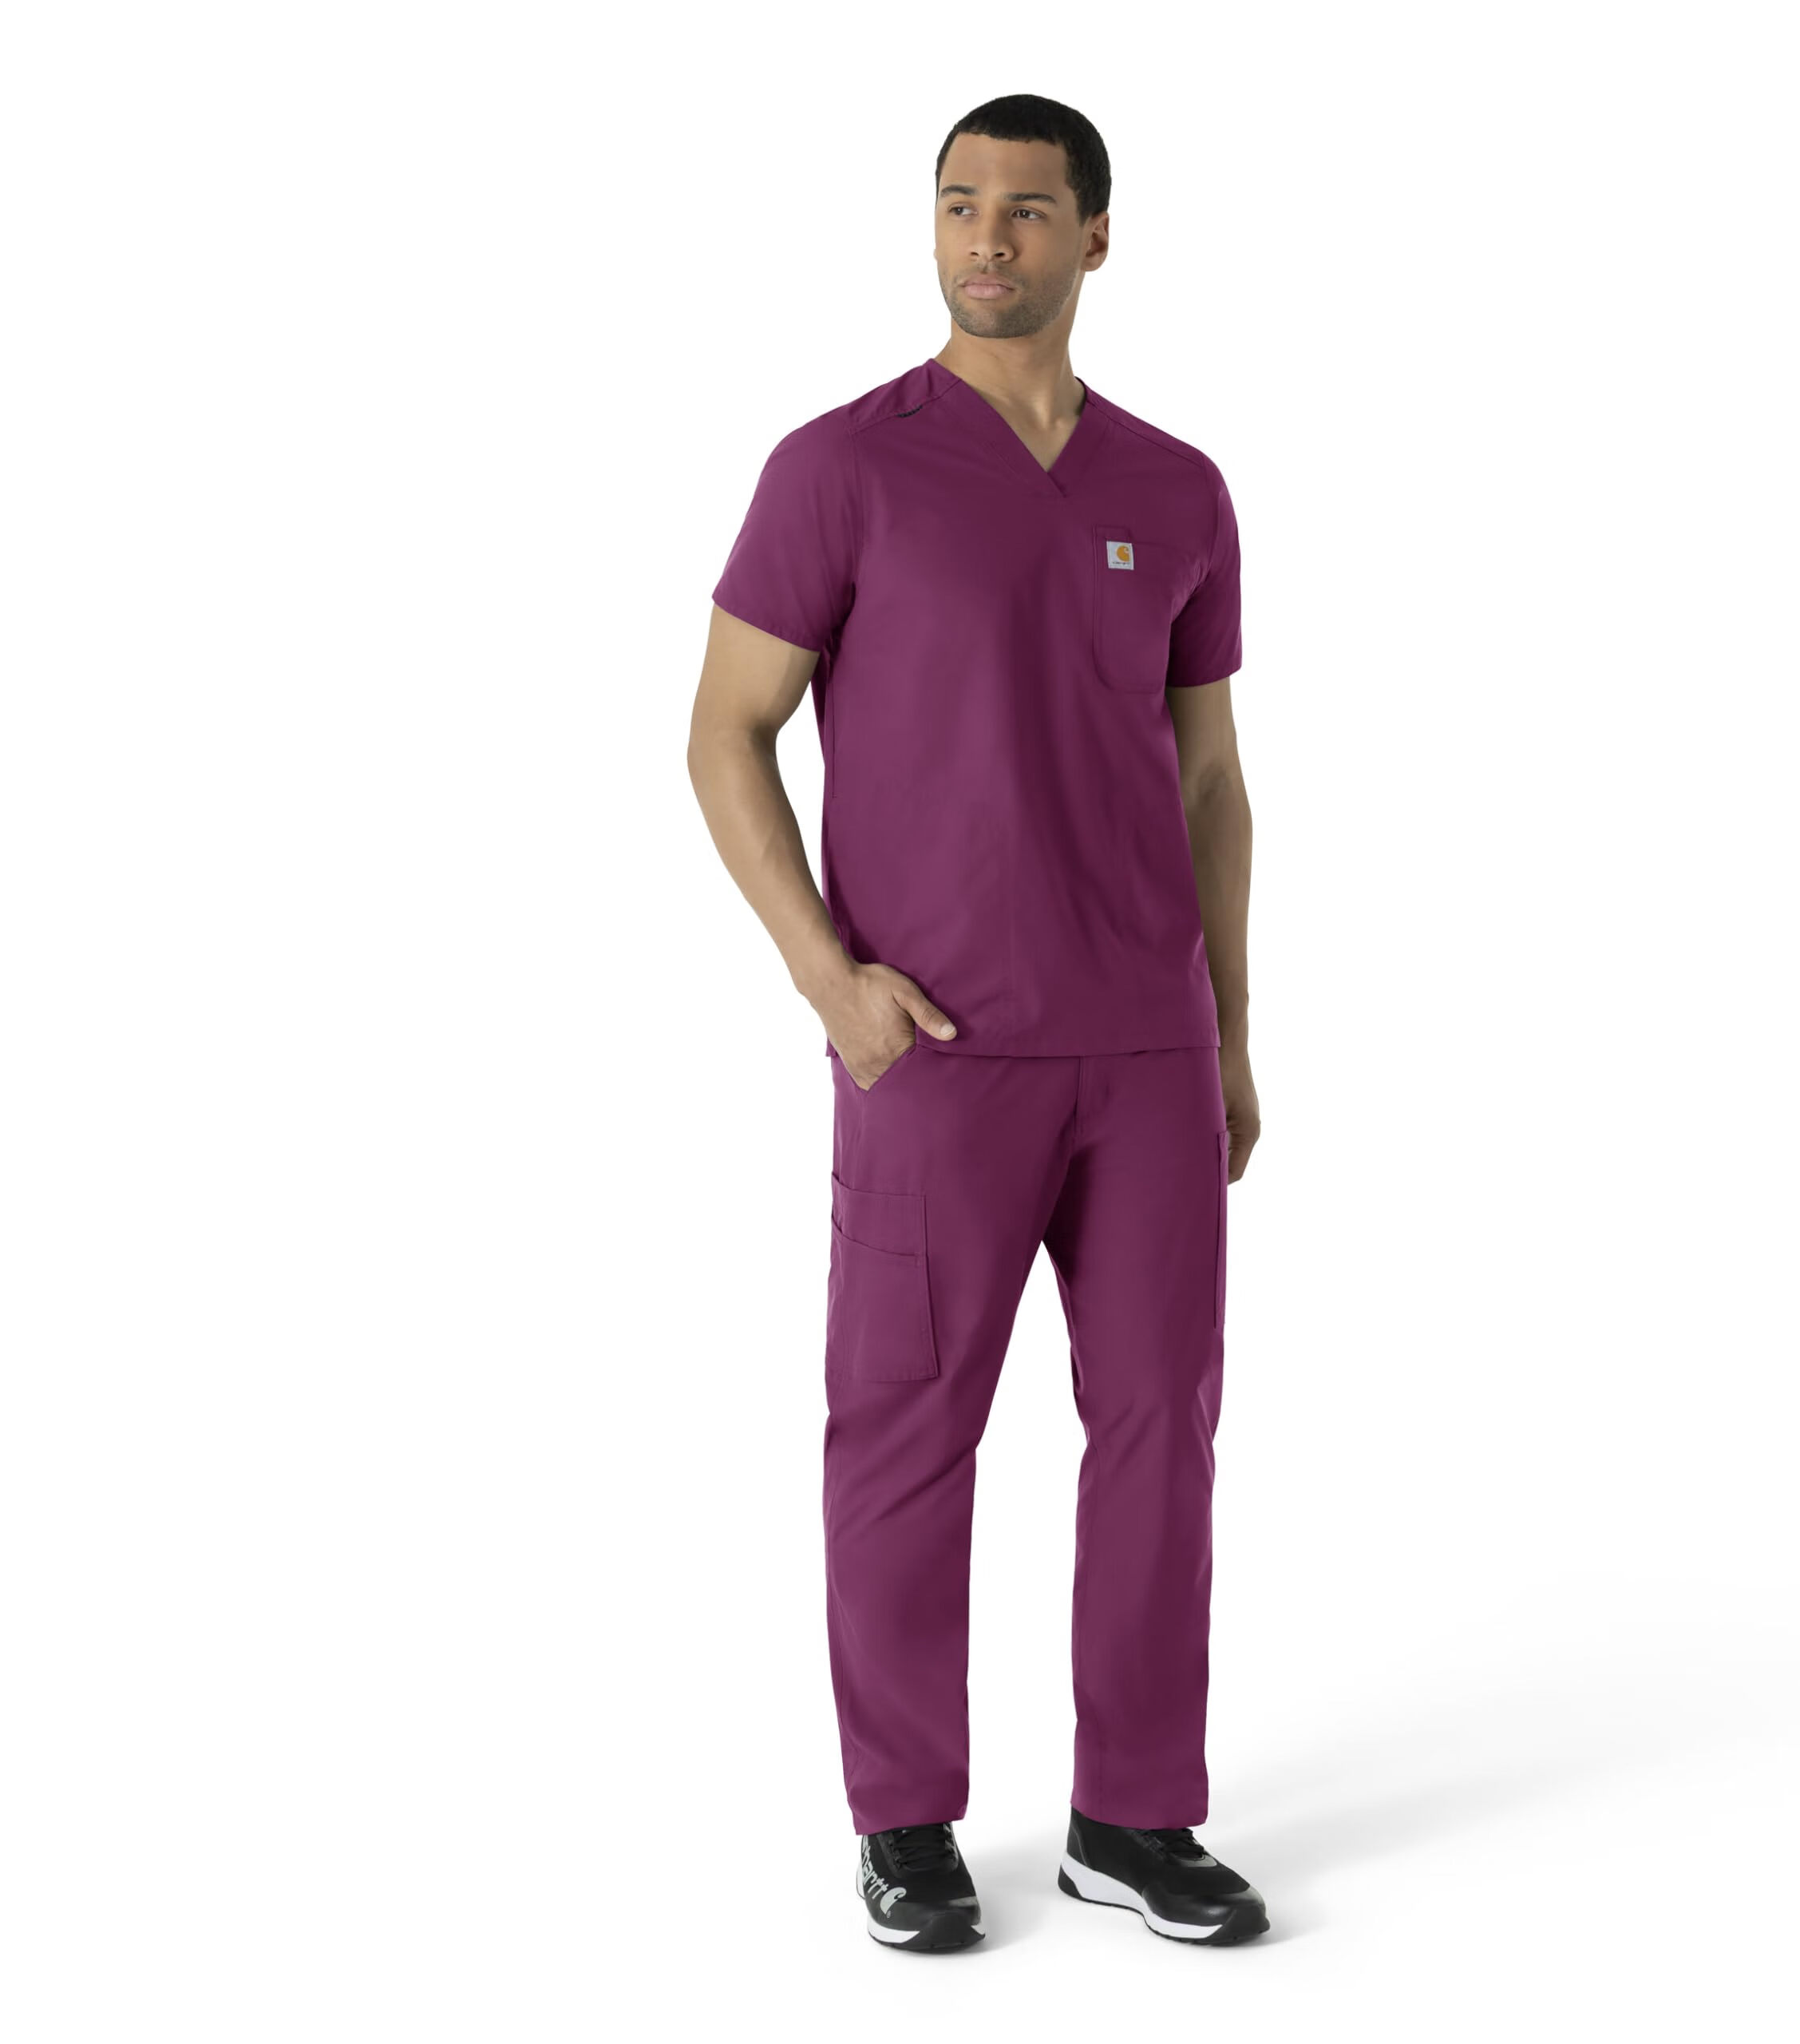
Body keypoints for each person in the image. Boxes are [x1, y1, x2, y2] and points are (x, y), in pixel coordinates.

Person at [689, 93, 1265, 1951]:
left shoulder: (1175, 486)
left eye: (1023, 209)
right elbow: (722, 731)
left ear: (1093, 236)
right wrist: (827, 978)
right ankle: (905, 1818)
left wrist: (1228, 1028)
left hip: (1144, 1050)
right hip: (931, 1046)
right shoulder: (839, 469)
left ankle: (1132, 1810)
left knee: (1160, 1425)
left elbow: (1209, 780)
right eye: (956, 205)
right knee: (902, 1429)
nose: (984, 239)